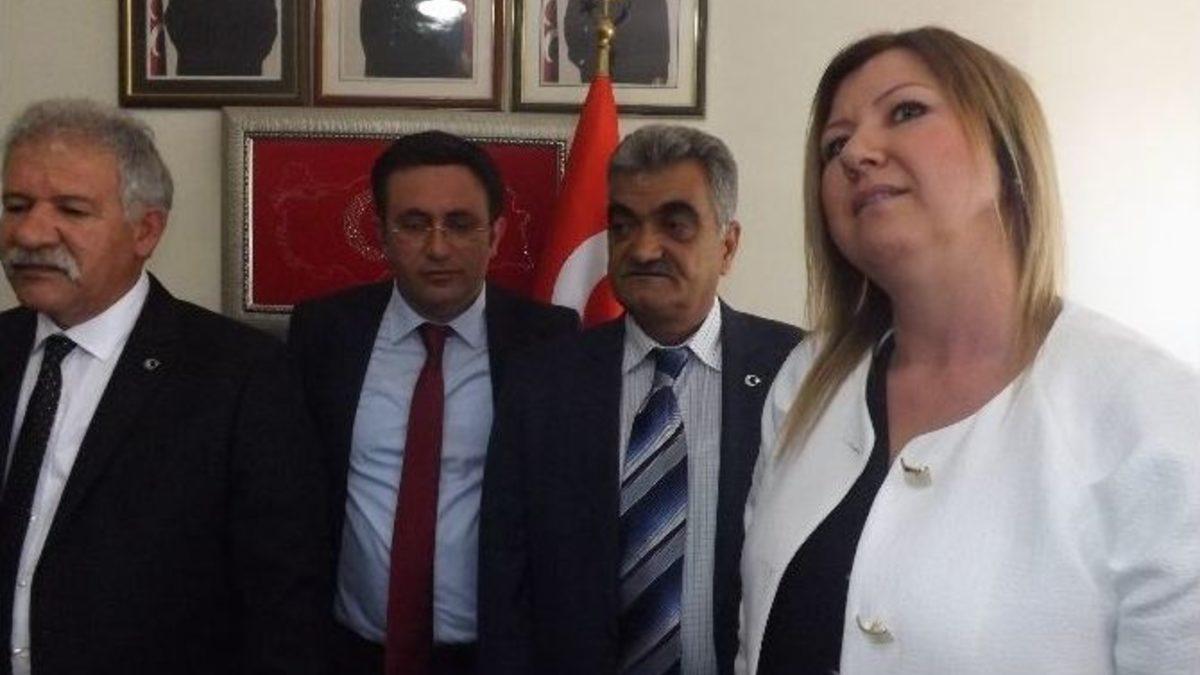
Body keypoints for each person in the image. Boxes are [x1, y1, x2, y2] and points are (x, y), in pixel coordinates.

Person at [737, 27, 1200, 675]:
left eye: (906, 111)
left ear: (1006, 151)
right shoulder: (804, 381)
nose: (856, 154)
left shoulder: (1158, 415)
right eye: (834, 145)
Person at [0, 98, 329, 674]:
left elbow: (285, 608)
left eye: (71, 210)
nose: (29, 232)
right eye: (16, 205)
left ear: (145, 230)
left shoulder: (241, 375)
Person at [479, 124, 804, 675]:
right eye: (623, 225)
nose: (644, 248)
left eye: (675, 225)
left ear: (727, 245)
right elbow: (505, 575)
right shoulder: (543, 383)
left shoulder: (798, 372)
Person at [287, 131, 579, 675]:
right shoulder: (324, 333)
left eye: (461, 224)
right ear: (382, 234)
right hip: (348, 650)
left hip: (492, 654)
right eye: (414, 223)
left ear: (495, 235)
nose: (438, 248)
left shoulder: (549, 341)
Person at [564, 0, 669, 84]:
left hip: (639, 74)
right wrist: (585, 62)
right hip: (596, 72)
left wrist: (660, 72)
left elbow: (660, 32)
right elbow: (572, 24)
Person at [164, 0, 278, 76]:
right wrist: (196, 56)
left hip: (243, 77)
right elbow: (174, 19)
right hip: (196, 75)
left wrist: (245, 61)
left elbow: (267, 27)